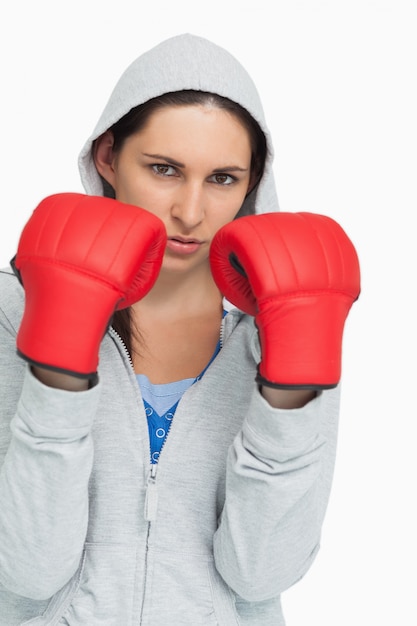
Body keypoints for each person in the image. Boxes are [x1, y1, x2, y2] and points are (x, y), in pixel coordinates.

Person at [0, 33, 360, 625]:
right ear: (108, 156)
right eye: (164, 170)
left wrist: (289, 388)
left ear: (252, 184)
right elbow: (28, 568)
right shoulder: (15, 309)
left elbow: (261, 574)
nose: (191, 213)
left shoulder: (287, 323)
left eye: (222, 179)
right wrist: (57, 367)